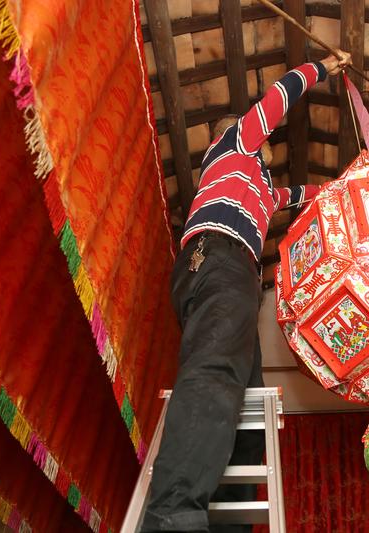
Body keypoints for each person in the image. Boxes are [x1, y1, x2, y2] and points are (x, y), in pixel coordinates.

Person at [140, 51, 352, 533]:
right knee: (214, 372)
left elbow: (297, 197)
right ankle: (171, 516)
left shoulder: (258, 185)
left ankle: (229, 521)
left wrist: (345, 187)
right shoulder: (233, 146)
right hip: (217, 258)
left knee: (247, 404)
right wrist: (324, 67)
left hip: (230, 275)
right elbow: (277, 100)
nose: (268, 138)